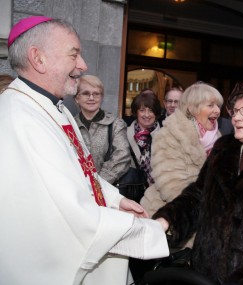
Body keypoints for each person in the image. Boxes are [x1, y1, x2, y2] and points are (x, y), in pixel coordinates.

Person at [0, 16, 169, 285]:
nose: (83, 65)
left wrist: (115, 200)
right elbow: (71, 214)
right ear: (38, 58)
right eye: (74, 54)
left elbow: (80, 172)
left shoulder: (54, 108)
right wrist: (150, 231)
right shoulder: (22, 119)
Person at [153, 77, 243, 285]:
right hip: (205, 274)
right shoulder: (223, 150)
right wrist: (167, 220)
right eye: (235, 110)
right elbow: (198, 196)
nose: (237, 118)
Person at [141, 82, 223, 238]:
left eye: (218, 106)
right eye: (211, 105)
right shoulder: (169, 134)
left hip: (204, 216)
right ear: (192, 108)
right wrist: (210, 210)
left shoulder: (218, 138)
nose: (217, 111)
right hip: (171, 219)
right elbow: (171, 186)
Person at [74, 75, 131, 184]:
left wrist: (97, 184)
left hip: (106, 191)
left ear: (102, 97)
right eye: (86, 93)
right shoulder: (69, 124)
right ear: (77, 98)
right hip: (76, 189)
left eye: (96, 94)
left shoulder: (116, 124)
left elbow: (122, 157)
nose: (91, 98)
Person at [127, 88, 161, 186]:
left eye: (151, 111)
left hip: (157, 192)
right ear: (136, 112)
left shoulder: (166, 134)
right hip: (132, 189)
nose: (146, 115)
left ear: (156, 113)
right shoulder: (124, 134)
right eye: (142, 110)